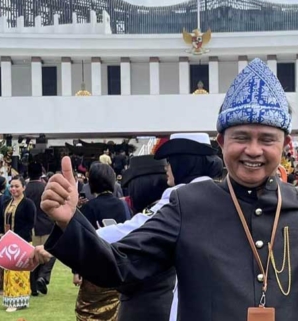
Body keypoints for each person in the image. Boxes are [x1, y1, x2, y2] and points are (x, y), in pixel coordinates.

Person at [35, 59, 298, 321]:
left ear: (286, 145)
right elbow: (121, 270)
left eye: (268, 139)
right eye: (241, 137)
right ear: (220, 142)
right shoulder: (188, 204)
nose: (254, 151)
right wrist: (71, 223)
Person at [95, 134, 222, 321]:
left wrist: (80, 234)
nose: (166, 167)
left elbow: (133, 230)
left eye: (170, 161)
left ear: (183, 162)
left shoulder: (179, 197)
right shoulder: (220, 193)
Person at [74, 162, 132, 320]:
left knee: (88, 313)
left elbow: (81, 242)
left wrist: (76, 270)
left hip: (94, 271)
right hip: (119, 269)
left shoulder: (88, 208)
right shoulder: (124, 206)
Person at [0, 176, 36, 312]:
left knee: (19, 272)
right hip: (8, 243)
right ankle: (10, 298)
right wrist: (0, 234)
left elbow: (30, 224)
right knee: (8, 271)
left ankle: (19, 300)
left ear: (23, 187)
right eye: (11, 186)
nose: (13, 189)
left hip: (22, 243)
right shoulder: (5, 202)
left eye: (17, 186)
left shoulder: (28, 204)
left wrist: (15, 237)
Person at [26, 162, 54, 297]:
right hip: (47, 225)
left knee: (33, 257)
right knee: (50, 253)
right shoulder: (46, 187)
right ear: (41, 173)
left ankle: (33, 286)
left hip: (32, 228)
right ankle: (42, 277)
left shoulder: (25, 189)